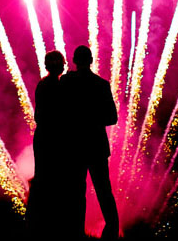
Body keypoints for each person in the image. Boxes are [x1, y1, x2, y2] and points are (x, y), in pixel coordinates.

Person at [60, 46, 120, 240]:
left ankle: (75, 232)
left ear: (74, 60)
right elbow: (112, 117)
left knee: (75, 191)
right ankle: (112, 230)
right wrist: (93, 119)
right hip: (96, 146)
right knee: (103, 190)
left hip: (74, 146)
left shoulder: (67, 82)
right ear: (91, 60)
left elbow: (59, 113)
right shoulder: (101, 85)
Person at [27, 51, 76, 239]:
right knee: (56, 180)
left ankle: (36, 224)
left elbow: (38, 115)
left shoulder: (42, 85)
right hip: (56, 138)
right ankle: (53, 226)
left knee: (42, 178)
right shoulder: (61, 86)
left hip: (43, 136)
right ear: (60, 65)